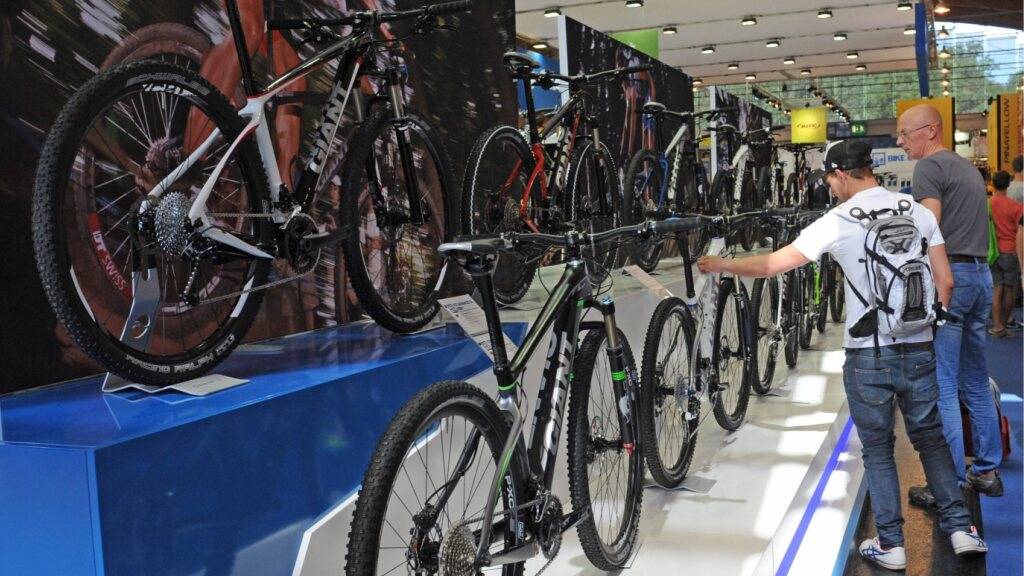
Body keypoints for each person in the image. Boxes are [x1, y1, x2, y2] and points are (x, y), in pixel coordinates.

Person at [697, 140, 987, 570]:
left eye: (830, 179)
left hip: (868, 354)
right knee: (929, 439)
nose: (830, 187)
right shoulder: (918, 211)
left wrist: (722, 265)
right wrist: (927, 332)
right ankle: (961, 529)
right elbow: (944, 282)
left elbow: (774, 265)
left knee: (878, 449)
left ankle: (892, 544)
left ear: (842, 174)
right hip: (919, 347)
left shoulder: (838, 220)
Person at [896, 103, 1004, 501]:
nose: (901, 141)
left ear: (929, 130)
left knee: (942, 385)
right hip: (979, 278)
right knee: (975, 381)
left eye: (906, 133)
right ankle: (987, 472)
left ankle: (951, 483)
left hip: (950, 281)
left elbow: (929, 224)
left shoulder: (929, 169)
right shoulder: (968, 170)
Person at [989, 171, 1023, 336]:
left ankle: (997, 326)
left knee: (997, 289)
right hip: (1011, 251)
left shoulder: (988, 204)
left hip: (993, 252)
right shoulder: (1017, 206)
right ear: (1008, 184)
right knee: (1010, 290)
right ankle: (1006, 321)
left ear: (992, 184)